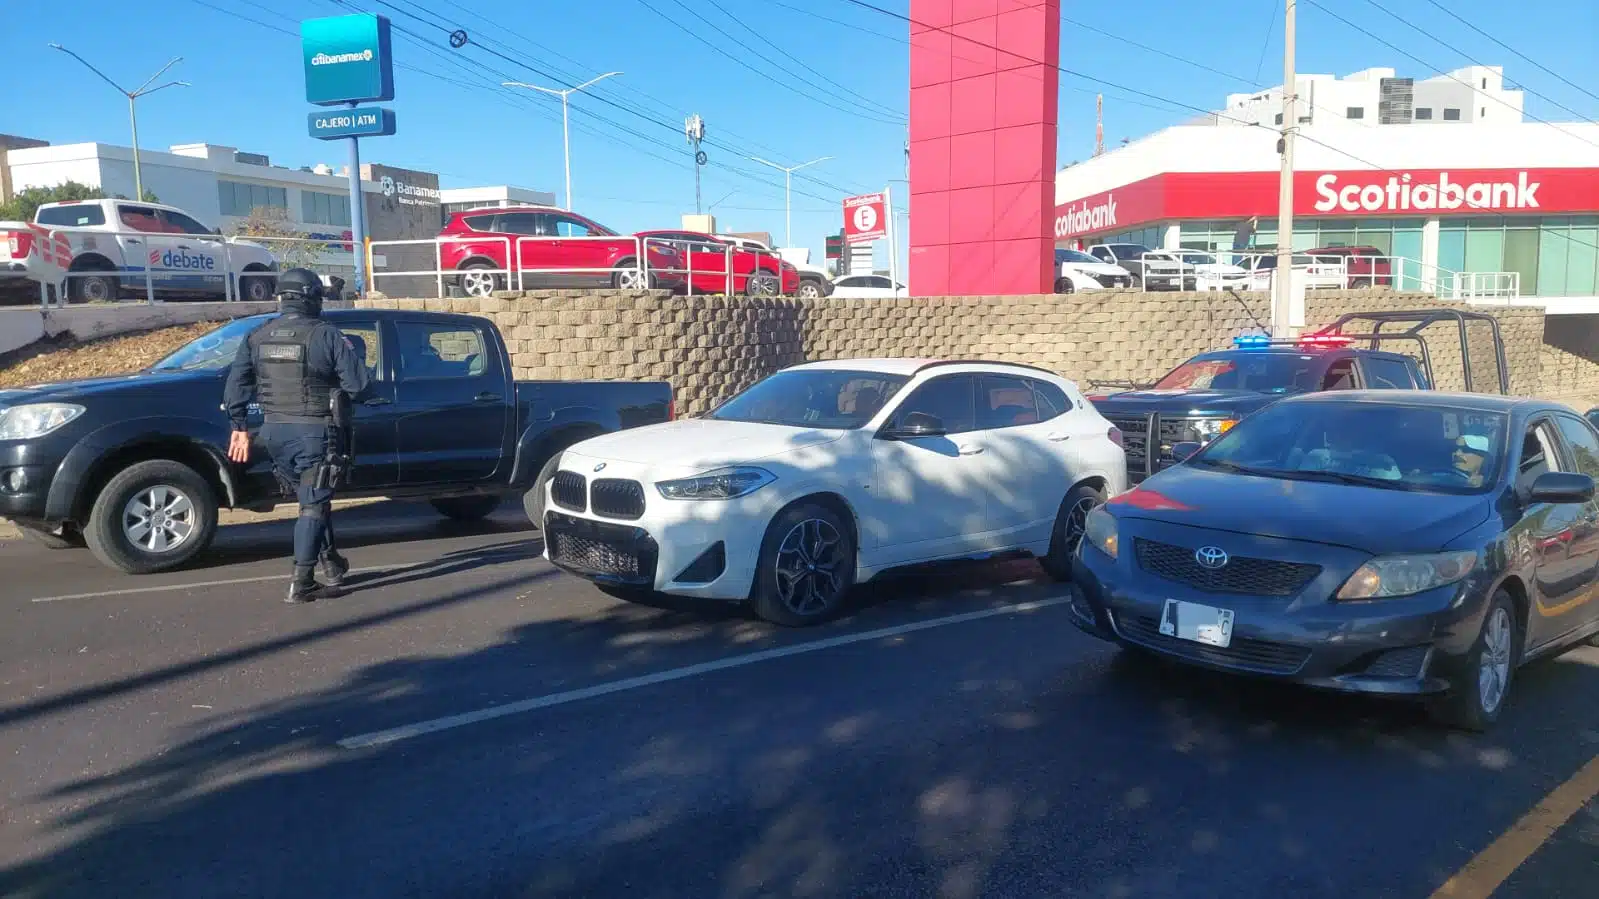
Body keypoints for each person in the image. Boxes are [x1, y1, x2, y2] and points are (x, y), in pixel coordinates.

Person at [223, 268, 370, 603]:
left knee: (313, 500)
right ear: (310, 297)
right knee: (312, 508)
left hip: (273, 433)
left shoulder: (258, 335)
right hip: (314, 432)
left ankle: (331, 564)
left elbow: (237, 385)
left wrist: (238, 427)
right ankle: (301, 581)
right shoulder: (326, 335)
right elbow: (359, 386)